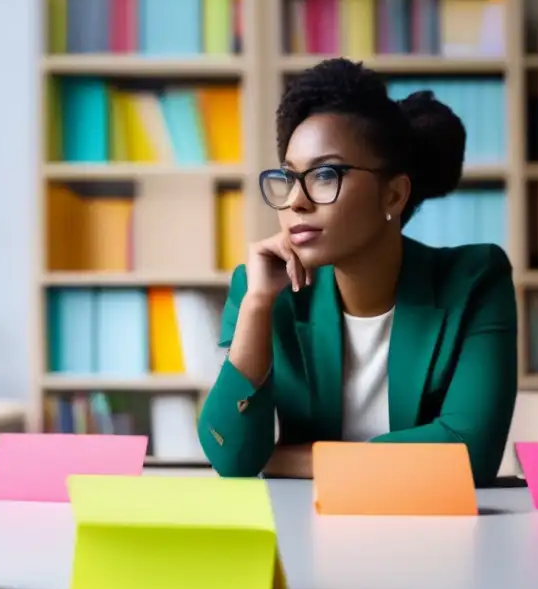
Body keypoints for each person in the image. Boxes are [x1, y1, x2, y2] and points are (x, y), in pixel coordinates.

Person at [197, 58, 518, 487]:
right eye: (289, 178)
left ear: (394, 194)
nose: (296, 202)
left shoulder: (475, 280)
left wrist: (283, 459)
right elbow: (232, 457)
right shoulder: (263, 287)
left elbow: (469, 455)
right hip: (305, 526)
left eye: (325, 174)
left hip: (431, 529)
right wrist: (256, 306)